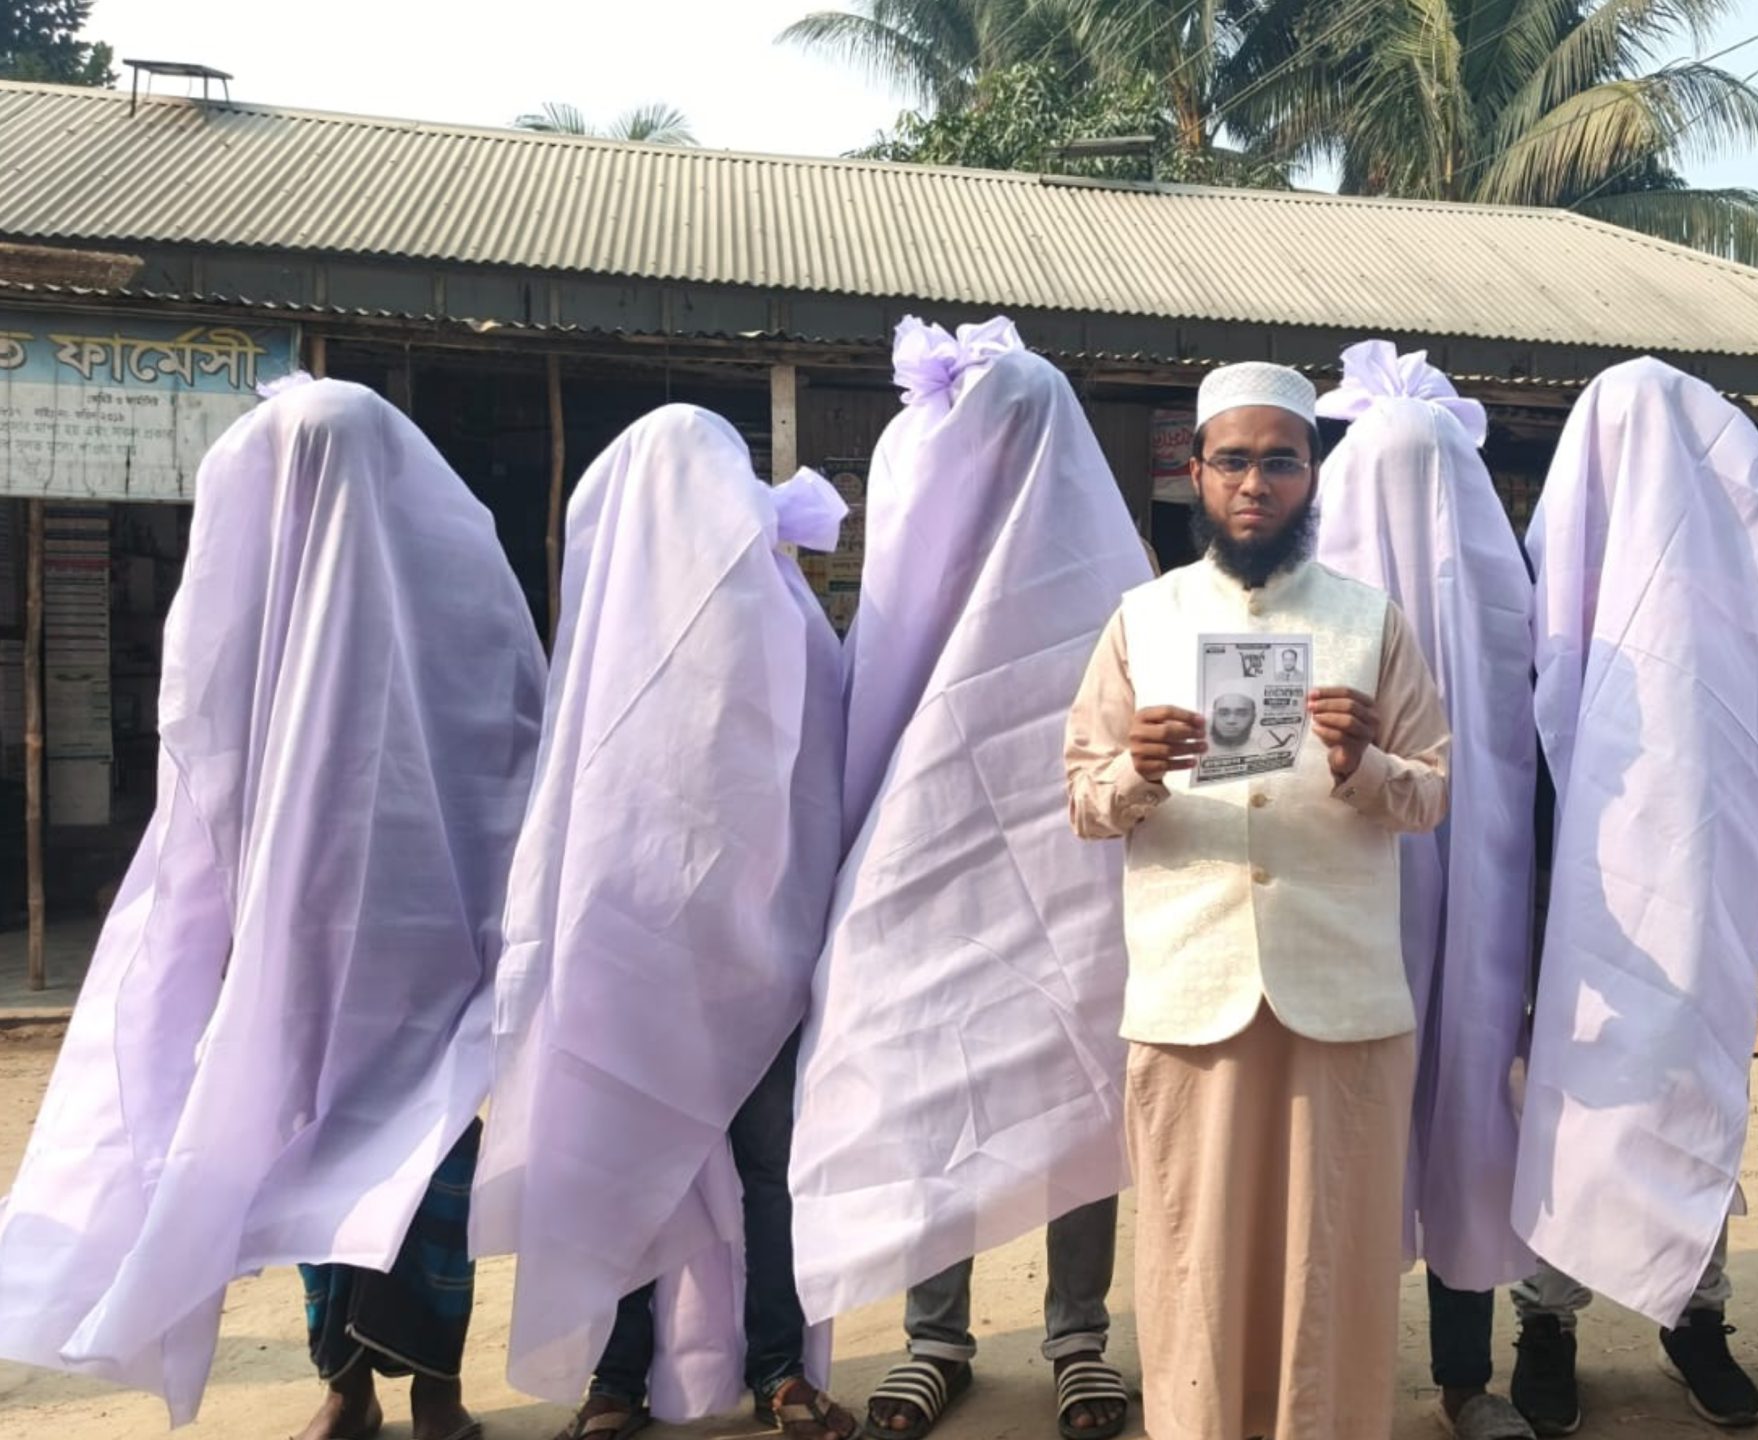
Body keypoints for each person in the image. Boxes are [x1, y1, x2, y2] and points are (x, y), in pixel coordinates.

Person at [0, 376, 545, 1440]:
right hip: (295, 934)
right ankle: (345, 1382)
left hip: (429, 935)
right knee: (297, 1147)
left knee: (422, 1162)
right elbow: (199, 748)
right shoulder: (259, 603)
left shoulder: (457, 588)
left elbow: (516, 735)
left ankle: (435, 1385)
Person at [1065, 359, 1452, 1440]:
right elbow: (1085, 804)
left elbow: (1429, 796)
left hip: (1340, 999)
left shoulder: (1368, 621)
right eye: (1232, 460)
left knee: (1332, 1263)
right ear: (1194, 472)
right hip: (1194, 995)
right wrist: (1138, 769)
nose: (1254, 483)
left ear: (1310, 475)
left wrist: (1362, 764)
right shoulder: (1142, 620)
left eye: (1279, 461)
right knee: (1195, 1265)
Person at [791, 318, 1151, 1440]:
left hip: (1075, 865)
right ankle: (933, 1334)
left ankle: (1078, 1335)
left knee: (1079, 1072)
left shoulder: (1114, 577)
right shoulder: (922, 544)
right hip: (928, 856)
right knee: (918, 1067)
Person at [469, 405, 853, 1440]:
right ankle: (620, 1372)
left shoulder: (788, 623)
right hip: (639, 949)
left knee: (749, 1168)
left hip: (755, 955)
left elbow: (821, 785)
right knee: (627, 1152)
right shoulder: (612, 642)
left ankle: (773, 1366)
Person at [1510, 357, 1758, 1433]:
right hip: (1565, 895)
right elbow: (1517, 735)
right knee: (1569, 1099)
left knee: (1695, 1082)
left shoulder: (1738, 591)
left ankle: (1694, 1312)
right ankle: (1547, 1323)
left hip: (1702, 881)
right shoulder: (1541, 576)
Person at [1311, 342, 1539, 1440]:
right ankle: (1338, 1373)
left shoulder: (1518, 624)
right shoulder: (1298, 621)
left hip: (1480, 907)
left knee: (1462, 1121)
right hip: (1343, 907)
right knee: (1344, 1131)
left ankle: (1466, 1374)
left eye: (1435, 484)